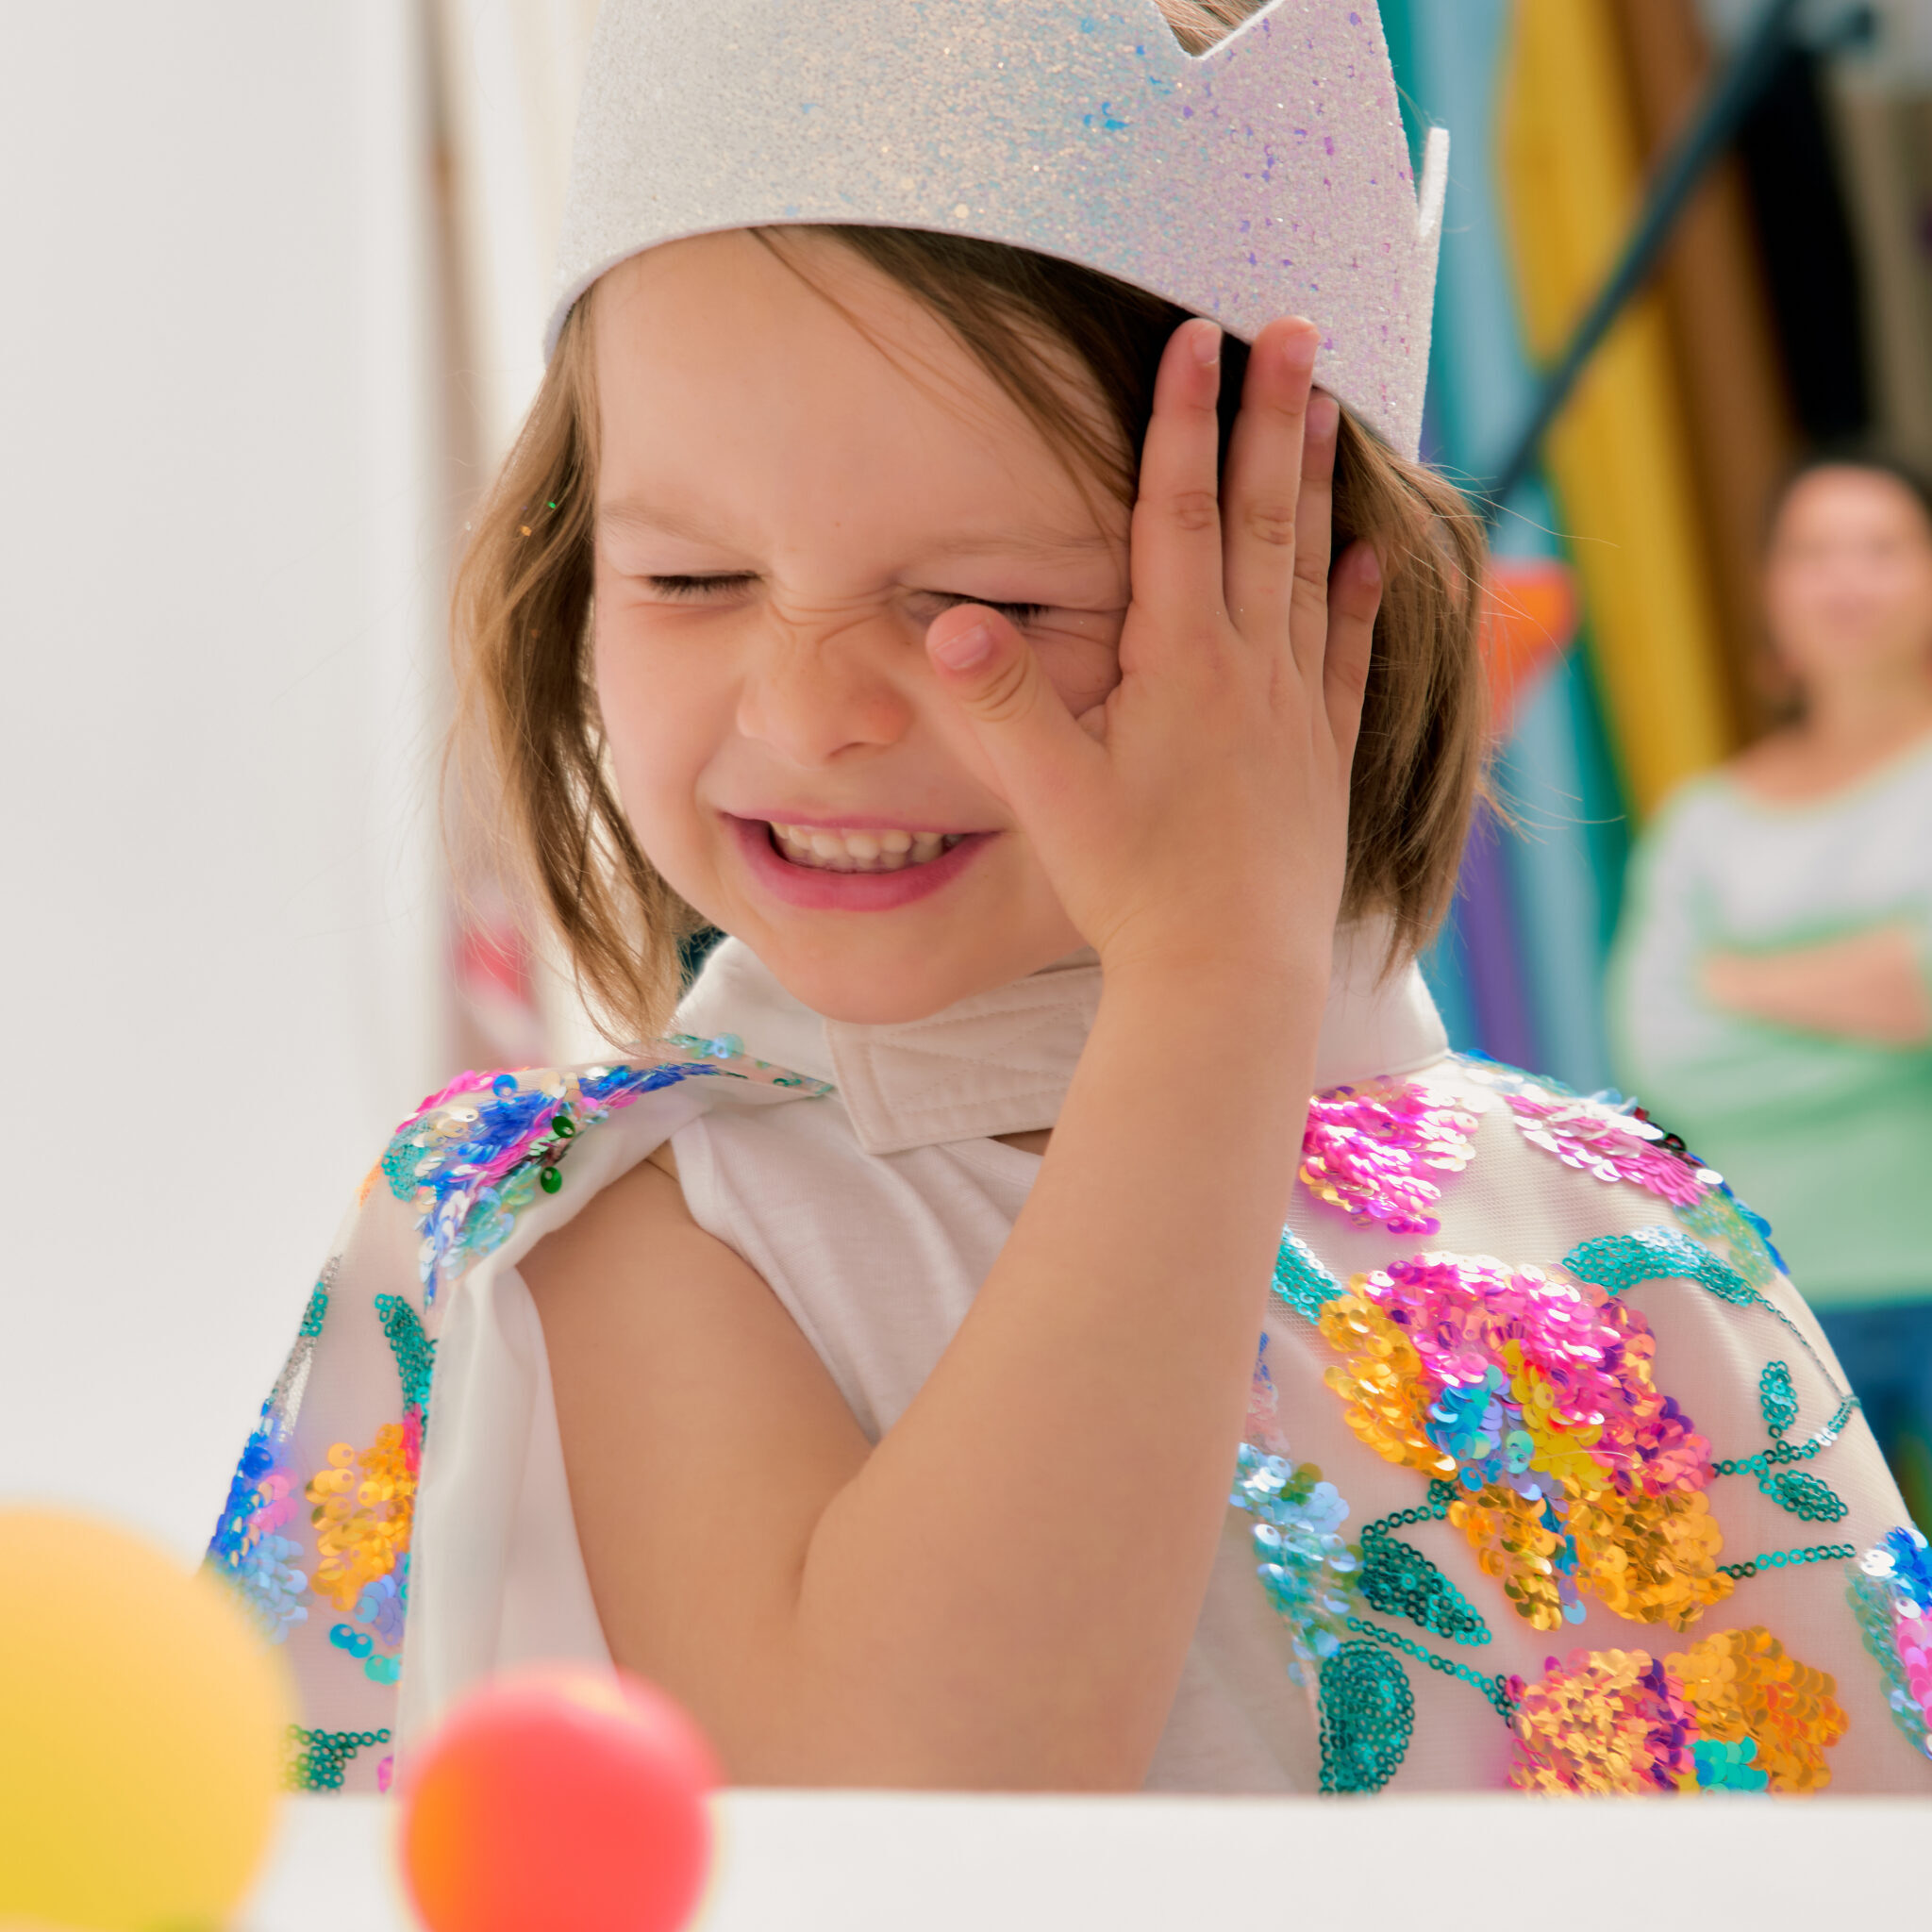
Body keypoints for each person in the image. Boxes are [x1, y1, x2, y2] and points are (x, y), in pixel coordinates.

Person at [208, 0, 1932, 1799]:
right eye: (689, 575)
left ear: (1322, 612)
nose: (804, 710)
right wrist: (1206, 980)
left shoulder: (1618, 1230)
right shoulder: (629, 1227)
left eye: (993, 604)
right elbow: (912, 1820)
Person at [1611, 454, 1932, 1533]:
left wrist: (1741, 980)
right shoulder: (1700, 821)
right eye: (1812, 551)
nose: (1845, 579)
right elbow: (1661, 1048)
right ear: (1768, 588)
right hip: (1774, 1297)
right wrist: (1880, 988)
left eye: (1879, 548)